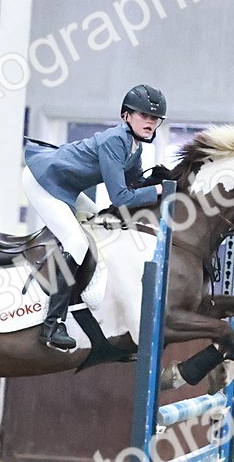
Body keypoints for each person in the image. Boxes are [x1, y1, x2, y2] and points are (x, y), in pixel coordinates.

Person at [22, 84, 167, 350]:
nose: (150, 122)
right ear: (126, 116)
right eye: (143, 116)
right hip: (43, 180)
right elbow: (121, 198)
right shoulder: (116, 141)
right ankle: (51, 325)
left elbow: (134, 185)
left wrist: (164, 180)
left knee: (100, 224)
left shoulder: (134, 148)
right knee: (76, 243)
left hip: (66, 185)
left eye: (154, 118)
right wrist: (158, 190)